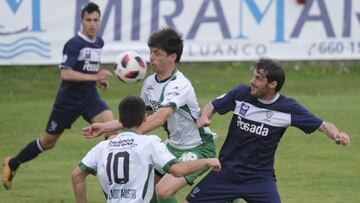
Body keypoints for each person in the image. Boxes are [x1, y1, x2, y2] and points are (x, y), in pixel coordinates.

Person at [185, 58, 350, 203]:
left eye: (258, 78)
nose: (252, 81)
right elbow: (213, 105)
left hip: (259, 179)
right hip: (225, 172)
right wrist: (205, 116)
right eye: (253, 76)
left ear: (272, 84)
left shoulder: (288, 108)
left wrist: (337, 134)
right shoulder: (241, 93)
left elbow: (322, 124)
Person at [82, 27, 217, 203]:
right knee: (147, 189)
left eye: (156, 53)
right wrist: (104, 127)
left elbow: (160, 116)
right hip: (173, 146)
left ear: (172, 57)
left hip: (197, 147)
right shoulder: (149, 83)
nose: (151, 57)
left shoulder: (180, 84)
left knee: (163, 191)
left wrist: (127, 138)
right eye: (150, 52)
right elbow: (137, 119)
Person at [2, 2, 114, 190]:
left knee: (111, 128)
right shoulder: (74, 44)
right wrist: (95, 76)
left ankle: (109, 175)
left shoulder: (99, 42)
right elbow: (66, 73)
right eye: (89, 20)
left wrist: (97, 81)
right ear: (82, 21)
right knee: (48, 142)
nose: (92, 24)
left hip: (89, 98)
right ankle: (13, 163)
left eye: (96, 20)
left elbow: (85, 68)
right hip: (67, 103)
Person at [72, 95, 221, 203]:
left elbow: (76, 175)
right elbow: (178, 170)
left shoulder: (102, 147)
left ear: (121, 120)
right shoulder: (149, 143)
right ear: (144, 118)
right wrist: (207, 162)